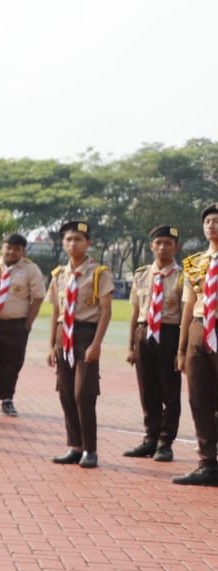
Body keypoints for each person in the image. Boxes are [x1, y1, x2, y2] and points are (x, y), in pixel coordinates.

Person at [45, 220, 113, 468]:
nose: (73, 244)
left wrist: (96, 344)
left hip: (86, 334)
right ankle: (75, 446)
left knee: (84, 394)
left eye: (78, 239)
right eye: (68, 239)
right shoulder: (59, 275)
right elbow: (55, 312)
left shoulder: (98, 273)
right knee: (65, 394)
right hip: (65, 335)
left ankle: (90, 450)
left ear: (88, 243)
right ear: (63, 243)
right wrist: (52, 344)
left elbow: (106, 311)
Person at [124, 225, 183, 461]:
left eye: (168, 243)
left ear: (176, 247)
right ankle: (150, 438)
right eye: (158, 243)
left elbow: (186, 311)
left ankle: (165, 442)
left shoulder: (183, 276)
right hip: (144, 332)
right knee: (147, 389)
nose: (162, 247)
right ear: (151, 246)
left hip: (170, 333)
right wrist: (130, 346)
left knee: (170, 391)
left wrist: (182, 349)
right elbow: (135, 311)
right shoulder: (141, 275)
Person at [173, 204, 218, 486]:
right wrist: (181, 348)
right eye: (208, 222)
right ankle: (206, 463)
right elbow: (188, 306)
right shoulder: (194, 263)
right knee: (199, 399)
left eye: (216, 221)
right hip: (199, 329)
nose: (212, 226)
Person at [0, 233, 46, 417]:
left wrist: (27, 323)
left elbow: (38, 297)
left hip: (15, 325)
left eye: (17, 249)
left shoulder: (30, 269)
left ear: (23, 251)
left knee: (11, 365)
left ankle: (6, 399)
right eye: (8, 247)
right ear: (2, 247)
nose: (11, 252)